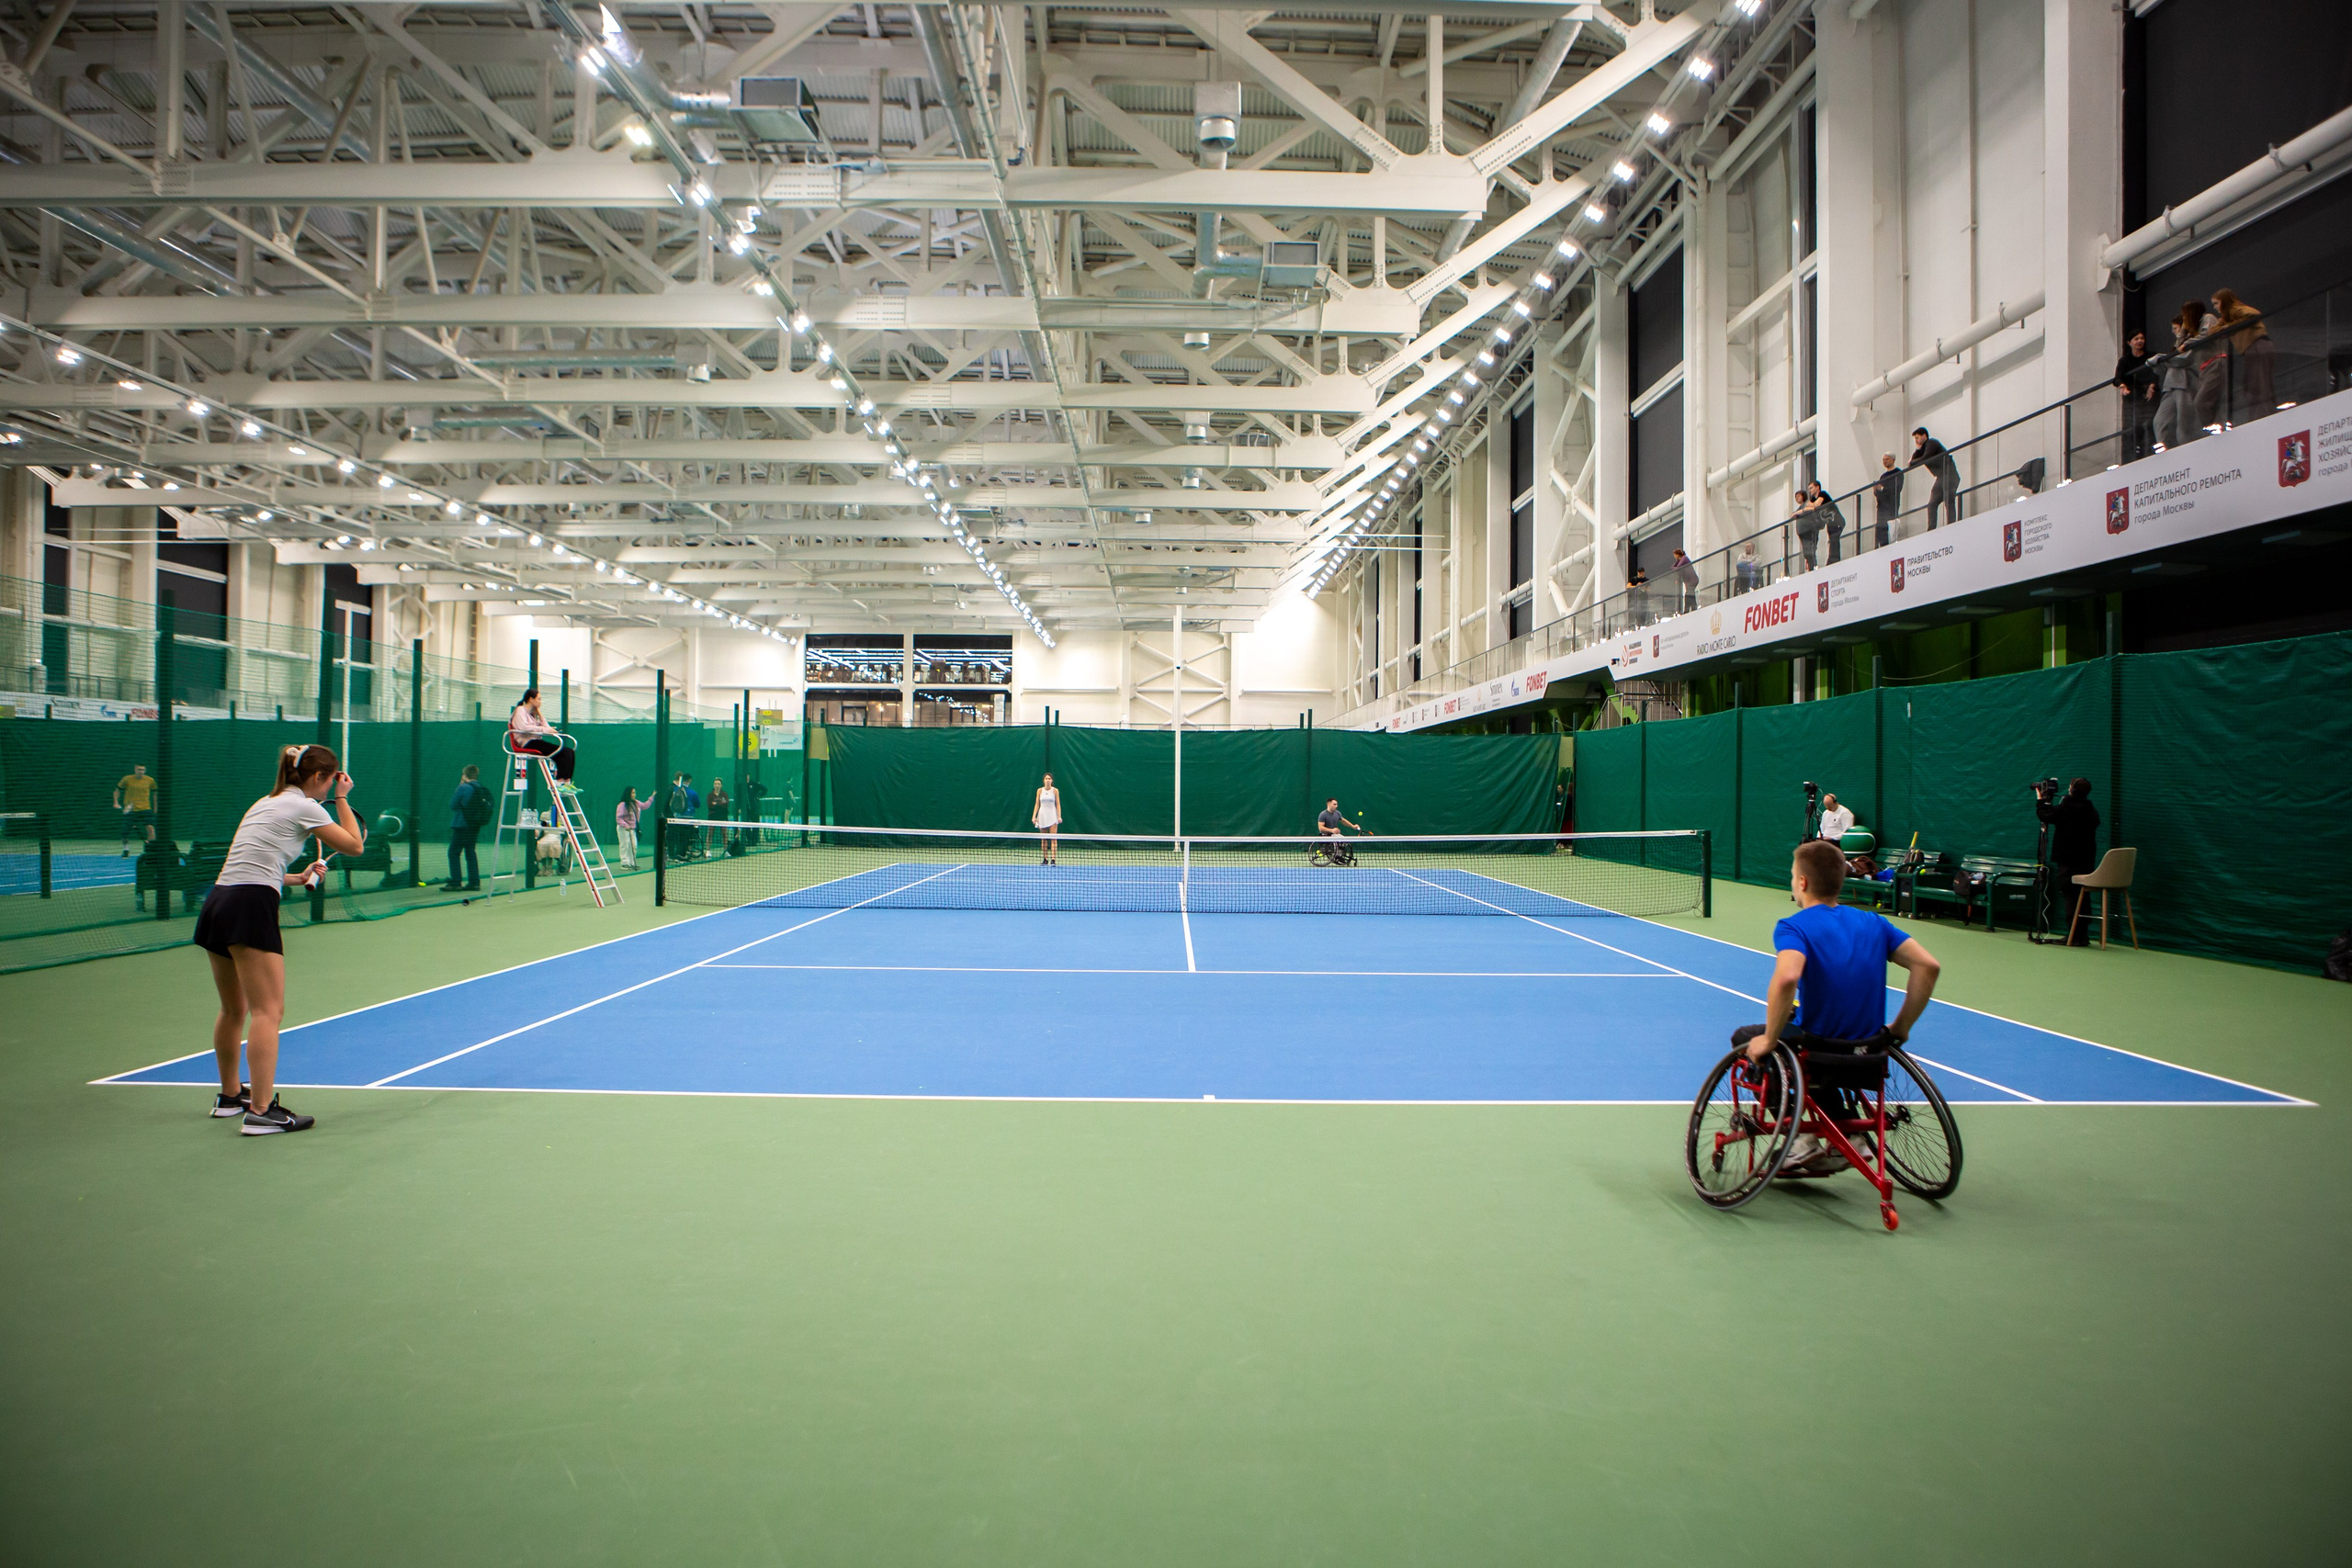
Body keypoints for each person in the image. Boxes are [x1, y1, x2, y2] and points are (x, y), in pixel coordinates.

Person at [1736, 840, 1942, 1175]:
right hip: (1870, 1050)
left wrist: (1770, 1039)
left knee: (1747, 1038)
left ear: (1802, 882)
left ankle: (1798, 1140)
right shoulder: (1875, 923)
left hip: (1820, 1049)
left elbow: (1788, 977)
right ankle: (1852, 1132)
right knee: (1817, 1049)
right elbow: (1928, 966)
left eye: (1792, 876)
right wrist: (1901, 1028)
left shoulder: (1794, 926)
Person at [191, 743, 365, 1135]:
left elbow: (252, 863)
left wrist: (297, 878)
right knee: (268, 1012)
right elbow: (355, 845)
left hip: (219, 902)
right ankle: (261, 1112)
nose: (330, 787)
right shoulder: (307, 806)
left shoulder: (264, 803)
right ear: (319, 778)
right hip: (249, 906)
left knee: (233, 1009)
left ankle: (230, 1096)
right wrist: (341, 799)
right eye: (329, 780)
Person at [2035, 776, 2100, 946]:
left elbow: (2044, 815)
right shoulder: (2090, 809)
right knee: (2082, 896)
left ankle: (2073, 936)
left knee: (2070, 895)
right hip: (2086, 862)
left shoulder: (2066, 807)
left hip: (2067, 861)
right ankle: (2082, 935)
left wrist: (2040, 798)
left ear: (2072, 789)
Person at [2211, 288, 2274, 421]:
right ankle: (2259, 415)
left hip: (2256, 345)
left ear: (2224, 301)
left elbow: (2254, 313)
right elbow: (2212, 332)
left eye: (2217, 303)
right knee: (2253, 384)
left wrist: (2230, 326)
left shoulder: (2235, 309)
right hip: (2252, 348)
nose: (2215, 307)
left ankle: (2262, 416)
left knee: (2258, 383)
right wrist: (2227, 326)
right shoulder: (2227, 317)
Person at [507, 688, 576, 790]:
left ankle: (566, 782)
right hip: (528, 743)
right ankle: (559, 783)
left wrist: (539, 713)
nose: (540, 702)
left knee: (569, 752)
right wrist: (544, 730)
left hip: (536, 741)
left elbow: (546, 727)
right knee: (564, 752)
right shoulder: (520, 710)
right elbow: (525, 728)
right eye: (539, 699)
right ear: (531, 699)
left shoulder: (533, 714)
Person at [2154, 305, 2201, 449]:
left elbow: (2184, 359)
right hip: (2170, 387)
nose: (2173, 332)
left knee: (2183, 423)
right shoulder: (2177, 344)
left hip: (2184, 384)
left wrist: (2159, 358)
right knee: (2159, 421)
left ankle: (2185, 451)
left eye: (2175, 328)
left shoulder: (2192, 341)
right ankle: (2164, 449)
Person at [445, 763, 489, 891]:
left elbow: (453, 805)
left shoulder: (463, 788)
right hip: (475, 825)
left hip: (462, 825)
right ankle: (474, 882)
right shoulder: (480, 787)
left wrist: (459, 787)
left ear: (465, 775)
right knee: (470, 852)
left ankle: (456, 882)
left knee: (453, 852)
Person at [2114, 328, 2156, 461]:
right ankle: (2135, 456)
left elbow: (2157, 373)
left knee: (2149, 426)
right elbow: (2117, 379)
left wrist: (2152, 386)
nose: (2140, 341)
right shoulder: (2125, 361)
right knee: (2133, 428)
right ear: (2129, 342)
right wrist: (2123, 386)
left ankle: (2150, 452)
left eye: (2141, 338)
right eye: (2136, 339)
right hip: (2133, 399)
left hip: (2148, 398)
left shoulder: (2150, 356)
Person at [2186, 299, 2227, 431]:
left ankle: (2211, 427)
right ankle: (2214, 427)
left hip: (2215, 363)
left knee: (2200, 401)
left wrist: (2187, 343)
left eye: (2187, 314)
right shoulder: (2193, 330)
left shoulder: (2208, 318)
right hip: (2205, 369)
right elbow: (2179, 348)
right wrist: (2183, 330)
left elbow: (2207, 335)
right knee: (2209, 402)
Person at [1908, 428, 1959, 529]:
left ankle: (1952, 525)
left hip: (1948, 474)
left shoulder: (1932, 443)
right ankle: (1931, 528)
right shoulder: (1923, 448)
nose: (1916, 441)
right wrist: (1917, 450)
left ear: (1924, 436)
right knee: (1932, 504)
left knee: (1948, 500)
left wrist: (1912, 462)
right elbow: (1912, 463)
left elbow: (1924, 458)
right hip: (1941, 476)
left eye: (1917, 438)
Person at [115, 762, 159, 854]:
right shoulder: (127, 779)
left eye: (143, 770)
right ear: (135, 769)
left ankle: (150, 850)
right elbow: (117, 790)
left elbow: (155, 794)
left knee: (151, 829)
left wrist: (155, 807)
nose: (141, 772)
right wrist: (116, 802)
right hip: (130, 809)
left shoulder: (150, 780)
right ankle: (126, 849)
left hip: (146, 808)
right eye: (139, 769)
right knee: (125, 833)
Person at [1804, 480, 1848, 564]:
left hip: (1836, 520)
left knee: (1834, 539)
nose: (1810, 491)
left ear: (1817, 487)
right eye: (1809, 489)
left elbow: (1816, 505)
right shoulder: (1813, 499)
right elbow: (1807, 508)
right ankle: (1832, 559)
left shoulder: (1823, 494)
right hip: (1829, 522)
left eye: (1811, 488)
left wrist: (1810, 505)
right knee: (1832, 539)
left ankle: (1834, 559)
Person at [1315, 796, 1365, 864]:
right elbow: (1320, 828)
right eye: (1334, 804)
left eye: (1337, 804)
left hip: (1334, 834)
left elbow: (1343, 821)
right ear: (1329, 804)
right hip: (1325, 835)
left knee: (1345, 842)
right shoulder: (1323, 814)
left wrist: (1353, 826)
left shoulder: (1337, 813)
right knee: (1340, 840)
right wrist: (1332, 830)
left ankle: (1338, 855)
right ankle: (1337, 856)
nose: (1336, 806)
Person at [1871, 455, 1902, 549]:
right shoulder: (1883, 476)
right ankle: (1883, 547)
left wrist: (1882, 488)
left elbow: (1895, 489)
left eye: (1887, 459)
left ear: (1893, 460)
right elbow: (1879, 493)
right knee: (1880, 530)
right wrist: (1877, 490)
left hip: (1891, 506)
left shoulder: (1898, 473)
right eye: (1883, 460)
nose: (1885, 461)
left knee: (1891, 529)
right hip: (1881, 507)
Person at [1032, 772, 1062, 865]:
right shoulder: (1039, 791)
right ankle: (1045, 859)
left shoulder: (1055, 791)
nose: (1048, 780)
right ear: (1044, 780)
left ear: (1052, 780)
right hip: (1042, 816)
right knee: (1044, 839)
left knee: (1053, 838)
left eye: (1049, 779)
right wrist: (1034, 816)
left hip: (1052, 815)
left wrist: (1059, 816)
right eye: (1046, 779)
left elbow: (1058, 804)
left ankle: (1053, 860)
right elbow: (1037, 804)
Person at [615, 786, 644, 871]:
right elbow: (618, 818)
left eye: (634, 792)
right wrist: (625, 825)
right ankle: (624, 863)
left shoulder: (635, 803)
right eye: (632, 793)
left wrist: (652, 797)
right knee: (625, 845)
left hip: (632, 829)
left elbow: (645, 805)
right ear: (628, 794)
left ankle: (632, 863)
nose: (634, 794)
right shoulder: (622, 805)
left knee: (633, 845)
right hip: (623, 829)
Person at [1791, 488, 1821, 571]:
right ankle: (1810, 567)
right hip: (1802, 532)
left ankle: (1813, 567)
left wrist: (1797, 513)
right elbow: (1792, 515)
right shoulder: (1800, 507)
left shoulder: (1808, 503)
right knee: (1806, 553)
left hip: (1809, 530)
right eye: (1796, 497)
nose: (1797, 498)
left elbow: (1811, 509)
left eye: (1798, 496)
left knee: (1810, 551)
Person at [1668, 547, 1700, 613]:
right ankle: (1693, 607)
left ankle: (1687, 609)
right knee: (1690, 593)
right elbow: (1674, 567)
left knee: (1688, 594)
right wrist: (1677, 561)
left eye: (1675, 555)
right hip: (1689, 581)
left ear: (1677, 554)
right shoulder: (1680, 560)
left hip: (1692, 580)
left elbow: (1677, 568)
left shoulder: (1684, 558)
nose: (1674, 556)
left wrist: (1675, 564)